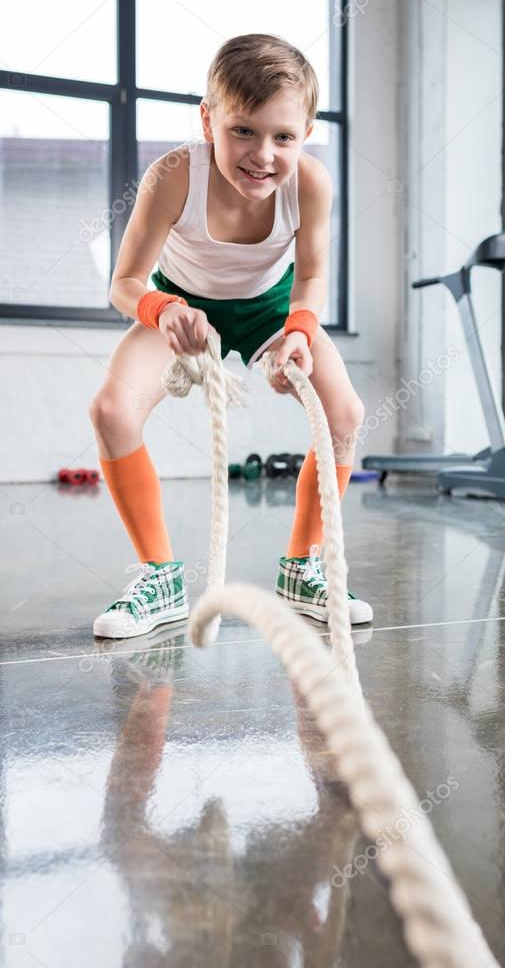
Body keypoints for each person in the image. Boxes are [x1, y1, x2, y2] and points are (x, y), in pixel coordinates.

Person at [89, 33, 373, 639]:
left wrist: (298, 329)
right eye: (243, 130)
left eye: (284, 137)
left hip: (273, 308)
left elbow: (315, 274)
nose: (263, 154)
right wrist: (163, 310)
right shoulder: (172, 176)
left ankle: (303, 568)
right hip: (182, 305)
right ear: (208, 119)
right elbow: (125, 282)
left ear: (306, 133)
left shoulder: (312, 185)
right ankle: (159, 576)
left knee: (345, 414)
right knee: (112, 409)